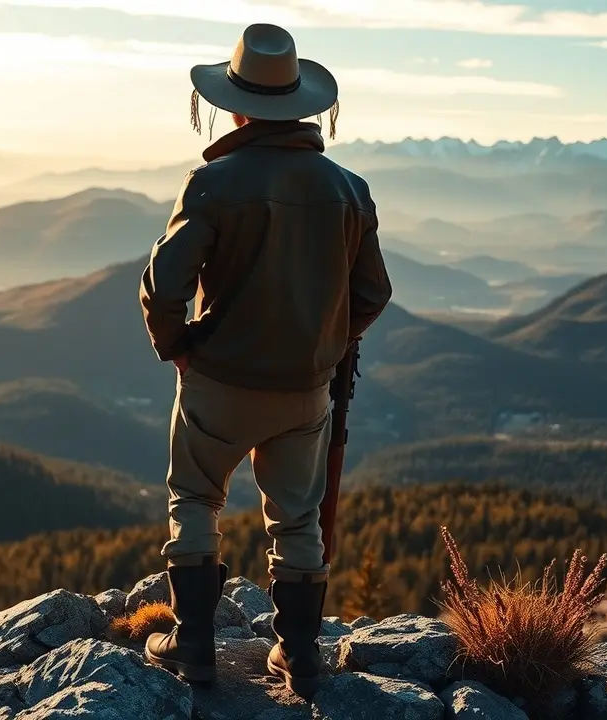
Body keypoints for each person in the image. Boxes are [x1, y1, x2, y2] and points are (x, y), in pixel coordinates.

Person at [138, 23, 392, 700]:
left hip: (219, 381)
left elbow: (163, 286)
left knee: (194, 497)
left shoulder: (214, 183)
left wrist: (180, 347)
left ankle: (192, 648)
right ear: (303, 104)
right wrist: (325, 345)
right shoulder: (349, 189)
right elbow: (374, 293)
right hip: (307, 390)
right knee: (299, 518)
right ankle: (299, 656)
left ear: (235, 104)